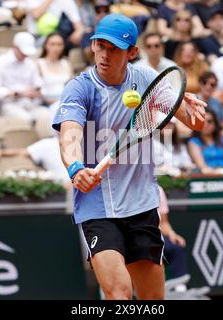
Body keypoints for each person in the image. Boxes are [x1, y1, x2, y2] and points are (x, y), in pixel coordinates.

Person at [52, 13, 207, 300]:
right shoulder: (80, 87)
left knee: (152, 300)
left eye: (114, 49)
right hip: (97, 208)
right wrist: (75, 167)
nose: (105, 55)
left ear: (132, 52)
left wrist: (194, 110)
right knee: (120, 294)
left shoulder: (147, 79)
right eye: (100, 46)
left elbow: (193, 123)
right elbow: (70, 133)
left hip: (141, 205)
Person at [0, 32, 47, 123]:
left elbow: (41, 86)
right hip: (7, 104)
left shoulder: (30, 64)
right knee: (26, 119)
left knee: (50, 116)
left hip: (30, 104)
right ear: (15, 47)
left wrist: (37, 92)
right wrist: (18, 93)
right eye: (22, 52)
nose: (25, 55)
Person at [0, 137, 70, 184]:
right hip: (63, 189)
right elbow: (22, 152)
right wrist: (2, 152)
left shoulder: (80, 142)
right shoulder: (47, 144)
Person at [188, 109, 223, 174]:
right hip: (207, 176)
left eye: (209, 121)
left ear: (215, 124)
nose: (205, 124)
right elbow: (201, 166)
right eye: (202, 121)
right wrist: (217, 173)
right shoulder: (193, 142)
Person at [37, 32, 73, 106]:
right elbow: (37, 90)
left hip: (65, 102)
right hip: (47, 103)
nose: (56, 48)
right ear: (46, 45)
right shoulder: (39, 64)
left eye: (59, 44)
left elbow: (71, 87)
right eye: (52, 44)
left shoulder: (66, 63)